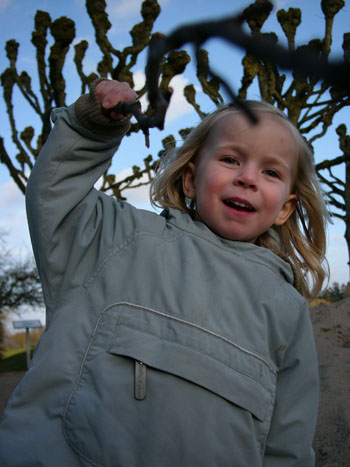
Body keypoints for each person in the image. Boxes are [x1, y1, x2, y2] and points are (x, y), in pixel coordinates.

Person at [0, 78, 328, 466]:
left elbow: (288, 442)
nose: (248, 177)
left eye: (271, 172)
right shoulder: (119, 239)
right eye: (230, 159)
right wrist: (91, 129)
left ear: (286, 208)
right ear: (190, 178)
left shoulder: (287, 309)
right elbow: (57, 198)